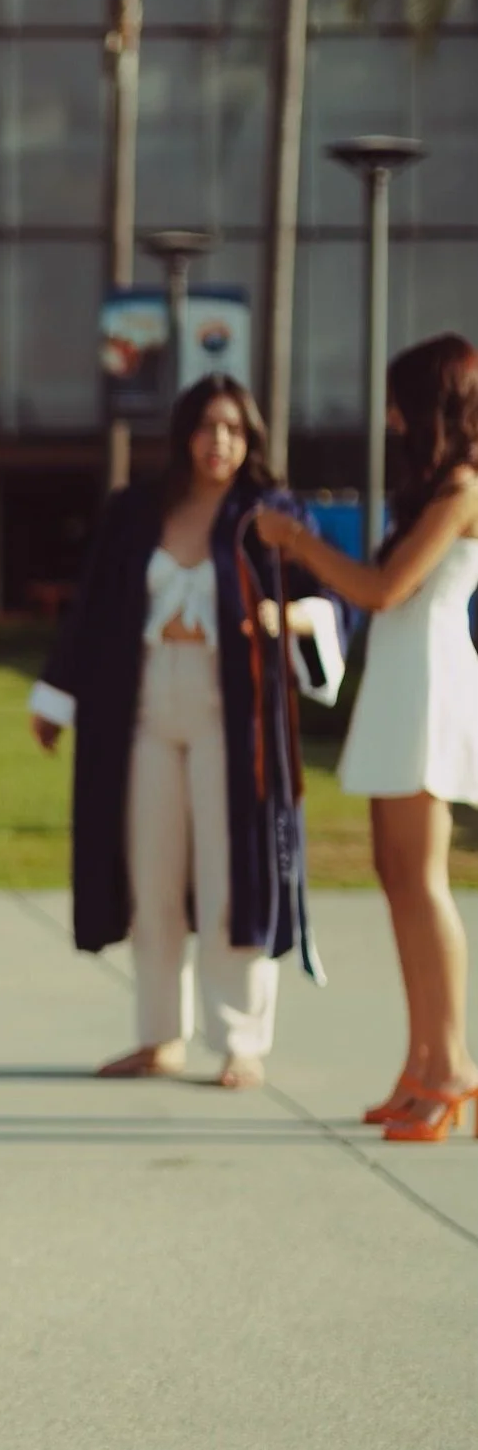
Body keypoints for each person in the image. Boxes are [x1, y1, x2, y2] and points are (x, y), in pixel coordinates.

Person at [29, 376, 330, 1090]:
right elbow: (94, 608)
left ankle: (240, 1042)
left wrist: (279, 622)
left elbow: (321, 604)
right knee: (152, 878)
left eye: (231, 428)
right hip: (143, 714)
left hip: (233, 720)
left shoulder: (270, 513)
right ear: (184, 434)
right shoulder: (136, 511)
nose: (217, 441)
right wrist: (54, 695)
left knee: (232, 880)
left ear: (249, 437)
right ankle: (158, 1036)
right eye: (204, 426)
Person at [255, 332, 478, 1141]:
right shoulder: (429, 489)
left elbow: (383, 590)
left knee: (421, 881)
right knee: (395, 876)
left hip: (428, 684)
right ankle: (422, 1064)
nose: (387, 416)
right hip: (398, 682)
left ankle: (454, 1070)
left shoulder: (462, 486)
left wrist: (299, 543)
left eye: (398, 400)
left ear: (430, 405)